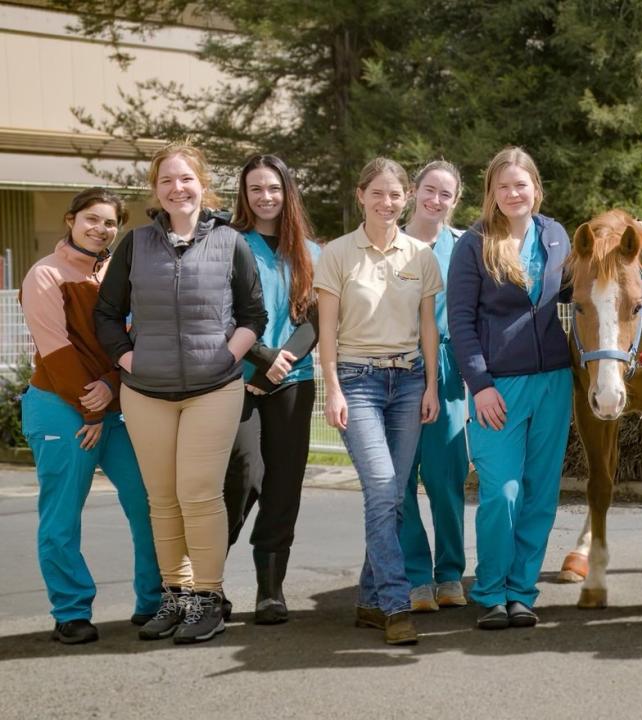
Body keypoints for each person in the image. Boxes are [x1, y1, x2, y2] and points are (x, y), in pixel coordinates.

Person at [95, 143, 268, 645]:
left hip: (212, 389)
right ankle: (177, 596)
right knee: (163, 498)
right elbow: (106, 314)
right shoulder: (135, 243)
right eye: (167, 180)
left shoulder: (231, 241)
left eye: (186, 179)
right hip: (146, 391)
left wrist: (227, 357)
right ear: (156, 190)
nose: (178, 188)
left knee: (198, 493)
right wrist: (131, 360)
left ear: (202, 183)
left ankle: (207, 599)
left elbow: (253, 315)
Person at [21, 188, 162, 644]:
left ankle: (153, 601)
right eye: (92, 219)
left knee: (147, 502)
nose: (100, 229)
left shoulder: (119, 275)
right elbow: (57, 352)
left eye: (110, 223)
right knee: (62, 515)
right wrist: (93, 407)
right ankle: (71, 610)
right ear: (70, 220)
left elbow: (133, 343)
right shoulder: (45, 275)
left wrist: (111, 388)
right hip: (61, 407)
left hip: (111, 404)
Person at [315, 157, 443, 646]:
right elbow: (326, 328)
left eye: (395, 195)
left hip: (409, 382)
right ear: (360, 196)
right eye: (377, 194)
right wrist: (333, 388)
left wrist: (431, 385)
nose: (386, 203)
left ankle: (368, 599)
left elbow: (428, 327)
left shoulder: (421, 256)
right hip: (358, 381)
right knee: (385, 490)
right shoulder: (339, 254)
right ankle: (394, 603)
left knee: (392, 498)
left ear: (405, 199)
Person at [448, 147, 573, 631]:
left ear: (535, 189)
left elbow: (579, 295)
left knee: (541, 493)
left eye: (521, 185)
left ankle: (521, 592)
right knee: (501, 491)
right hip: (497, 387)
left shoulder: (556, 236)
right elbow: (460, 321)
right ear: (491, 194)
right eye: (503, 186)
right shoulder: (474, 243)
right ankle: (491, 590)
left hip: (554, 382)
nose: (513, 193)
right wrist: (479, 384)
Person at [222, 155, 322, 625]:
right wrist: (260, 361)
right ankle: (206, 585)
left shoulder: (310, 252)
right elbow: (219, 315)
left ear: (288, 192)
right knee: (240, 480)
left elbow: (315, 319)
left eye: (274, 188)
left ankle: (269, 590)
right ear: (244, 193)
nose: (266, 197)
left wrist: (281, 364)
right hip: (237, 381)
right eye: (256, 188)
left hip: (293, 382)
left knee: (283, 486)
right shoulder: (226, 244)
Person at [399, 160, 469, 612]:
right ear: (412, 191)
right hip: (397, 365)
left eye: (446, 194)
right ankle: (415, 575)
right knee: (400, 478)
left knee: (446, 477)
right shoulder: (389, 242)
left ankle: (450, 574)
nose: (436, 200)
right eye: (429, 190)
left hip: (448, 367)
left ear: (455, 200)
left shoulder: (465, 246)